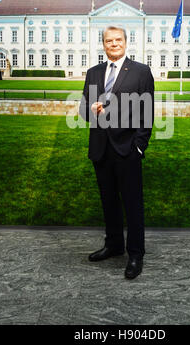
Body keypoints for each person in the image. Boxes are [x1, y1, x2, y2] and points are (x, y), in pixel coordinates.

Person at [79, 25, 154, 279]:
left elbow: (147, 113)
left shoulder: (141, 72)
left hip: (127, 149)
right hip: (101, 148)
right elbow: (83, 109)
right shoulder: (93, 73)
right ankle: (113, 245)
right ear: (103, 44)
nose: (113, 44)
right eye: (109, 41)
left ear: (125, 41)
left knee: (133, 204)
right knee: (108, 201)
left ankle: (135, 254)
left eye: (118, 40)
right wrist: (92, 107)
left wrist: (139, 146)